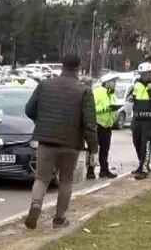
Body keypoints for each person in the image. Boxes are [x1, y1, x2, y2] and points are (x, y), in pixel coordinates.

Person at [23, 54, 97, 230]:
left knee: (41, 178)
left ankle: (35, 205)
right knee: (66, 180)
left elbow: (29, 109)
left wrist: (40, 121)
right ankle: (59, 218)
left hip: (46, 139)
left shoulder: (45, 85)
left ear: (62, 66)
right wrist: (93, 148)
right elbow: (90, 123)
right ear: (78, 68)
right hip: (71, 143)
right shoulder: (84, 90)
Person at [89, 71, 120, 179]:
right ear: (106, 83)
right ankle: (90, 170)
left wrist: (115, 113)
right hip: (97, 124)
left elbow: (114, 107)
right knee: (93, 149)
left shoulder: (112, 94)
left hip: (107, 125)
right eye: (113, 81)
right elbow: (92, 109)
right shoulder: (97, 92)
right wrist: (106, 109)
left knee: (105, 149)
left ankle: (104, 170)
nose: (115, 83)